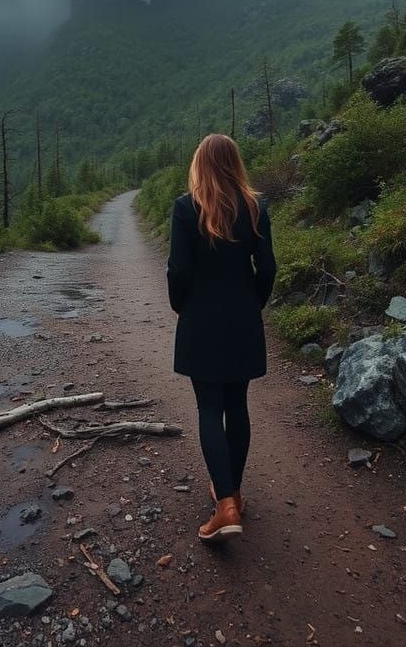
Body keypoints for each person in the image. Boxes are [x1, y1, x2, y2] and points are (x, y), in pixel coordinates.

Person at [166, 133, 276, 542]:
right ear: (235, 163)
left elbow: (179, 269)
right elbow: (266, 269)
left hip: (201, 320)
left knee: (209, 409)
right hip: (243, 318)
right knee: (237, 405)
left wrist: (179, 305)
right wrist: (254, 304)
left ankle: (225, 503)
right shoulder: (255, 207)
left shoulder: (185, 207)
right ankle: (233, 493)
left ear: (201, 164)